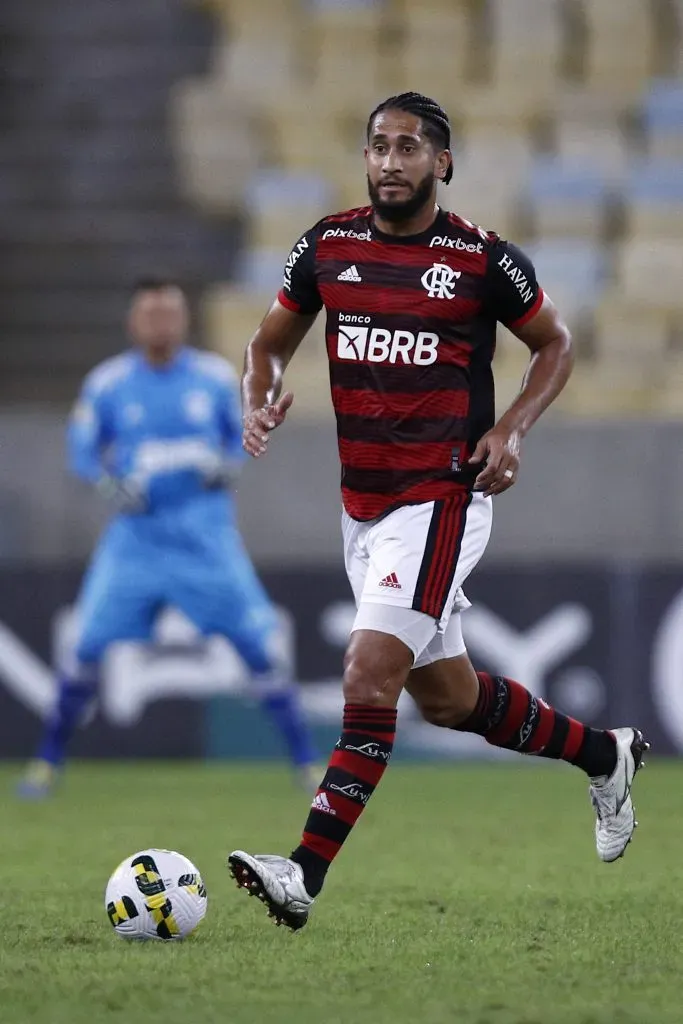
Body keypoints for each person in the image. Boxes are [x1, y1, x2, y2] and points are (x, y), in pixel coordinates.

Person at [228, 93, 648, 931]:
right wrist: (259, 397)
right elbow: (268, 342)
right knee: (448, 702)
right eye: (377, 146)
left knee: (365, 675)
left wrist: (510, 430)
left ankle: (301, 873)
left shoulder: (481, 260)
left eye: (408, 148)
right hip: (364, 507)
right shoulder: (327, 246)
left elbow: (554, 344)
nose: (389, 161)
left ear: (440, 164)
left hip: (442, 495)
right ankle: (607, 755)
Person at [18, 276, 318, 798]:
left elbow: (241, 437)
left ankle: (306, 762)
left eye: (170, 314)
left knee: (257, 647)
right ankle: (46, 764)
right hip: (135, 544)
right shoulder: (108, 384)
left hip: (206, 542)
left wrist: (226, 466)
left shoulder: (211, 377)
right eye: (151, 315)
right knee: (86, 647)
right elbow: (82, 453)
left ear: (184, 320)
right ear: (134, 322)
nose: (161, 324)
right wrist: (111, 484)